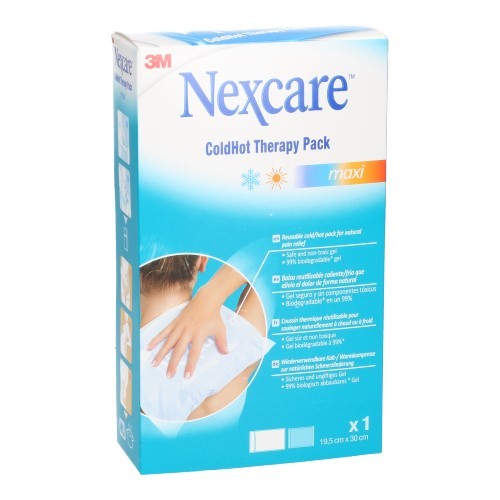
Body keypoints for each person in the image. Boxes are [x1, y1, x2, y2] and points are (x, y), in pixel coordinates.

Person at [140, 255, 266, 420]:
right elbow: (268, 257)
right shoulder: (241, 339)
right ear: (203, 260)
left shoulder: (126, 368)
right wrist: (211, 294)